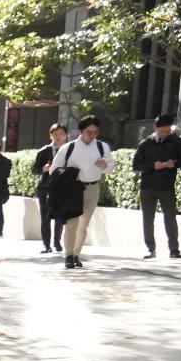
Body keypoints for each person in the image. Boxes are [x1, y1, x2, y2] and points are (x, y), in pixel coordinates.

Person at [50, 115, 112, 270]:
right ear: (80, 131)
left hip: (93, 187)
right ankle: (68, 255)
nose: (92, 135)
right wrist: (69, 175)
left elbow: (111, 167)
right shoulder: (68, 148)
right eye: (89, 132)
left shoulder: (102, 147)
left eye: (95, 132)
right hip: (73, 189)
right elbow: (54, 169)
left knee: (83, 225)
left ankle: (76, 254)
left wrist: (105, 165)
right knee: (72, 223)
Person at [132, 113, 179, 260]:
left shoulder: (175, 142)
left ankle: (174, 250)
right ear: (155, 128)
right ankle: (150, 249)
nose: (165, 134)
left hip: (167, 187)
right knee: (148, 219)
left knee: (170, 218)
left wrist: (174, 163)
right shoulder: (145, 144)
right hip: (148, 187)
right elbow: (136, 165)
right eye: (162, 131)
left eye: (168, 131)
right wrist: (153, 166)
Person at [33, 124, 69, 254]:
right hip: (45, 188)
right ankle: (46, 245)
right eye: (55, 134)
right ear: (50, 135)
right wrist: (44, 168)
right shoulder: (43, 151)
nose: (58, 137)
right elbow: (35, 170)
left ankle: (57, 242)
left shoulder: (69, 151)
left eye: (61, 134)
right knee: (45, 217)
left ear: (66, 136)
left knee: (60, 216)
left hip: (62, 188)